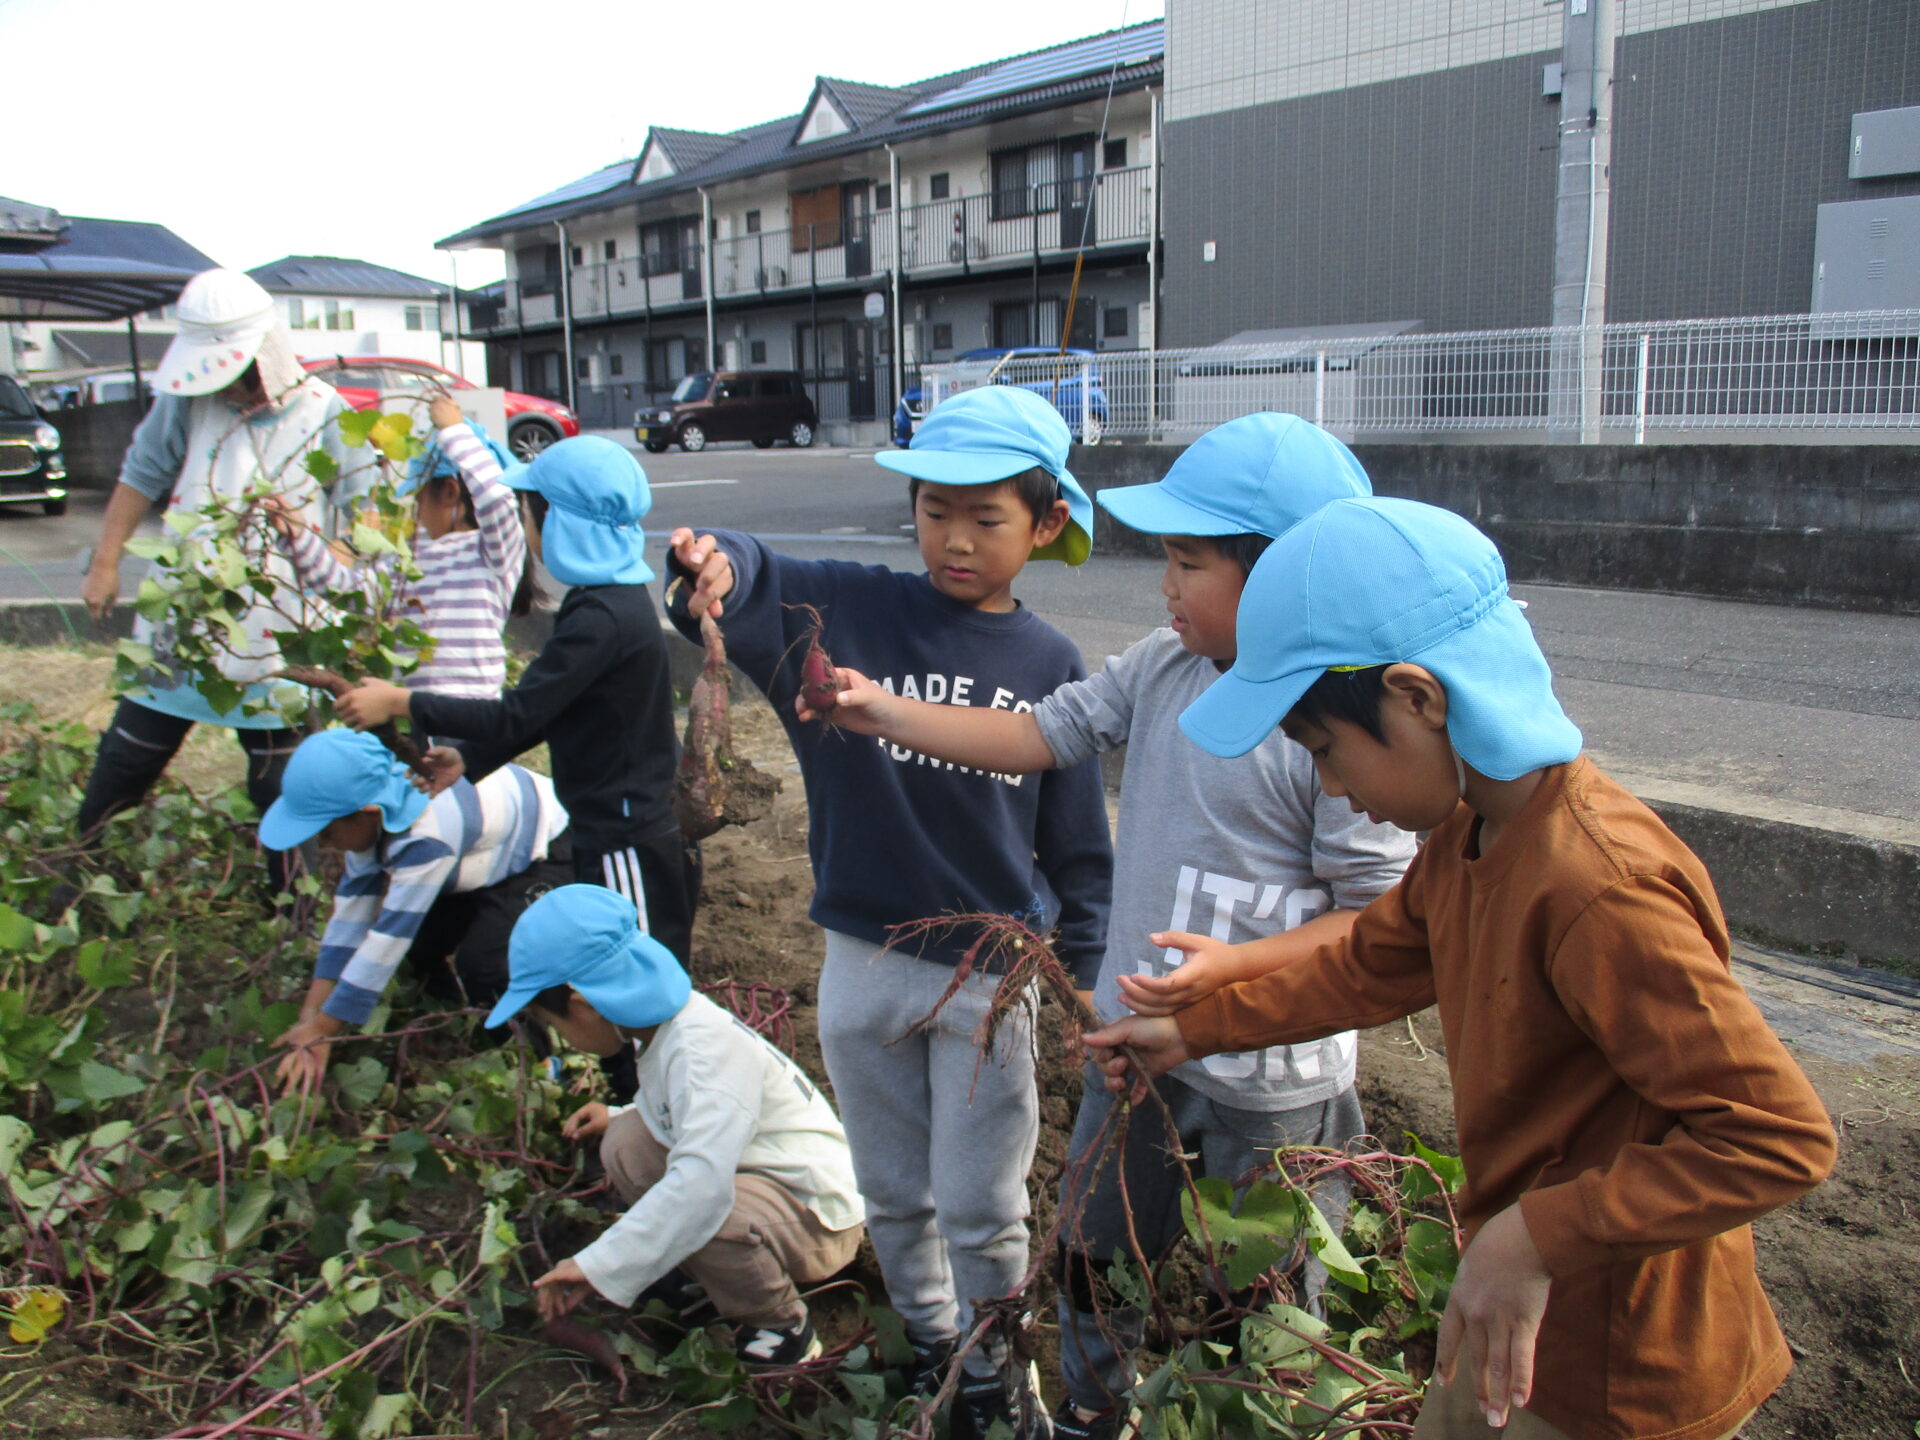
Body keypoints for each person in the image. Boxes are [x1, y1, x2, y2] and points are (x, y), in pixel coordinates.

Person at [1086, 496, 1838, 1440]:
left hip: (1620, 1364)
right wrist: (1192, 1030)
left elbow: (1779, 1136)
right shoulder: (1472, 831)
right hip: (1517, 1307)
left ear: (1418, 699)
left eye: (1326, 749)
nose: (1330, 785)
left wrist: (1533, 1235)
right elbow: (1368, 967)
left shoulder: (1596, 890)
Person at [816, 413, 1416, 1439]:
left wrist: (1246, 966)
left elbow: (1380, 920)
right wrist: (887, 713)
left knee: (1262, 1296)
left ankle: (1252, 1417)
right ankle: (1095, 1414)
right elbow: (1041, 734)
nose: (1165, 586)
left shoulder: (1342, 729)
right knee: (1097, 1254)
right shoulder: (1162, 666)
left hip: (1274, 1084)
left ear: (1285, 577)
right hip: (1137, 1048)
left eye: (1188, 562)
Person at [666, 385, 1114, 1438]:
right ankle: (930, 1341)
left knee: (985, 1198)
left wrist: (1086, 962)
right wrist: (713, 558)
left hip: (988, 977)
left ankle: (993, 1364)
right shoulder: (851, 608)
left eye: (987, 518)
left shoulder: (1048, 664)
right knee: (895, 1187)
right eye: (934, 512)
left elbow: (1079, 845)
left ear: (1046, 523)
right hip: (861, 961)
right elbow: (746, 581)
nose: (956, 541)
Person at [336, 436, 697, 967]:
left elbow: (515, 712)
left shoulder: (601, 618)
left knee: (642, 978)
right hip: (611, 826)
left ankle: (645, 1054)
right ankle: (624, 1053)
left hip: (629, 839)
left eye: (528, 512)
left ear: (558, 524)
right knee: (614, 976)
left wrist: (402, 702)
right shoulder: (600, 602)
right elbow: (547, 709)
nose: (525, 529)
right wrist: (470, 761)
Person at [485, 884, 865, 1367]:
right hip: (769, 1182)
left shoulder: (703, 1054)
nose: (563, 1037)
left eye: (552, 1021)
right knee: (626, 1140)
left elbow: (700, 1189)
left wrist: (595, 1264)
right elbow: (680, 1115)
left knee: (708, 1213)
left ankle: (781, 1326)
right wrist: (617, 1114)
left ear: (581, 1004)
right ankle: (713, 1275)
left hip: (820, 1218)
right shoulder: (667, 1031)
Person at [75, 269, 362, 893]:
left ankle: (290, 911)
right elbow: (143, 471)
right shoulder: (187, 402)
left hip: (281, 628)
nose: (229, 387)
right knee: (129, 755)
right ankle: (73, 875)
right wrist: (105, 562)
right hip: (184, 614)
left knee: (278, 785)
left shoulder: (325, 413)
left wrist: (323, 557)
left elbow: (364, 515)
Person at [261, 728, 572, 1095]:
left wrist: (325, 1030)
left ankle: (534, 1065)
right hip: (482, 856)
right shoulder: (373, 812)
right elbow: (349, 922)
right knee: (422, 950)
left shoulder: (427, 832)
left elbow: (387, 938)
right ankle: (449, 1026)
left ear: (366, 814)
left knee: (486, 964)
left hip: (547, 849)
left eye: (326, 833)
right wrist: (309, 1018)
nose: (325, 845)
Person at [272, 395, 534, 700]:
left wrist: (454, 431)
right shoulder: (411, 558)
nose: (415, 511)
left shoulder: (493, 552)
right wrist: (296, 537)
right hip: (406, 712)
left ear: (449, 492)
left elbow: (496, 499)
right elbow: (347, 591)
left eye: (418, 498)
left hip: (469, 719)